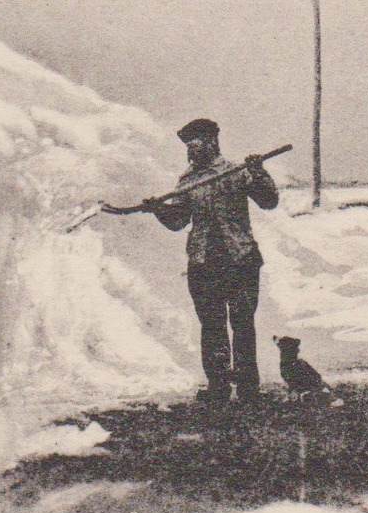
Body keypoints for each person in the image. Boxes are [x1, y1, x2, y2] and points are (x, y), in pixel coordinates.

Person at [111, 118, 280, 405]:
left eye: (196, 142)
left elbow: (269, 201)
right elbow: (178, 221)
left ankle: (249, 387)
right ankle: (218, 386)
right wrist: (158, 210)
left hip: (239, 259)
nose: (191, 148)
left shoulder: (237, 172)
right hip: (203, 263)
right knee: (211, 326)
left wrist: (259, 173)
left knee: (242, 323)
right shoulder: (188, 181)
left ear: (212, 141)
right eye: (188, 144)